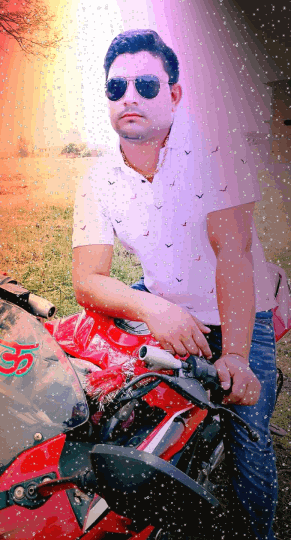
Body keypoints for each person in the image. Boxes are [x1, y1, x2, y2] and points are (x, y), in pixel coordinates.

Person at [72, 29, 278, 540]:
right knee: (109, 395)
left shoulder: (217, 152)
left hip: (239, 311)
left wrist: (234, 355)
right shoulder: (98, 178)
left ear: (174, 93)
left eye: (145, 85)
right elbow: (87, 279)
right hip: (162, 300)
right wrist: (154, 309)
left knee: (249, 441)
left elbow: (233, 254)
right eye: (117, 87)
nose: (130, 97)